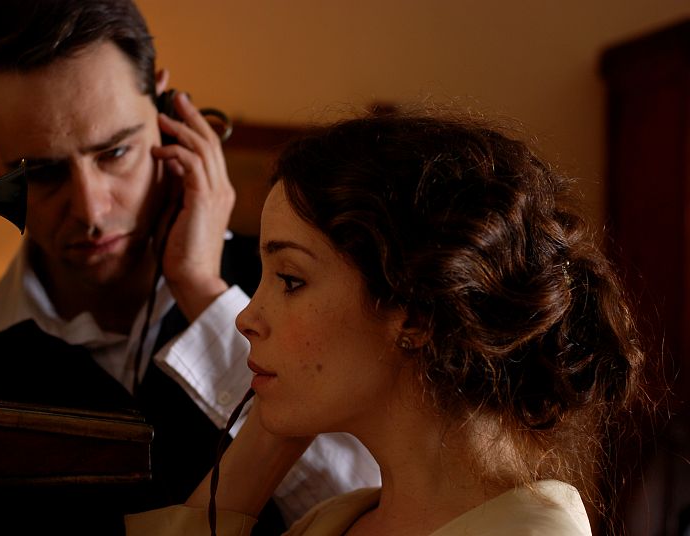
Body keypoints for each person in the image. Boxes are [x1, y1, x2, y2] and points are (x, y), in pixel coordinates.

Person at [0, 1, 378, 535]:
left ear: (167, 109)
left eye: (115, 153)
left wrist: (203, 292)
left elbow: (375, 507)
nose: (92, 211)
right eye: (42, 173)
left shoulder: (318, 292)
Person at [124, 110, 648, 535]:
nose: (245, 317)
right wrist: (275, 418)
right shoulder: (337, 520)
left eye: (290, 279)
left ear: (415, 316)